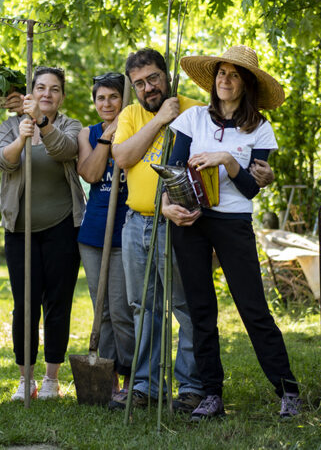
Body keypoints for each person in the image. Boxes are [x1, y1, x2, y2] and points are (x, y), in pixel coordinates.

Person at [163, 45, 300, 420]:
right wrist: (167, 207)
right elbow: (174, 172)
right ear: (214, 79)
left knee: (253, 308)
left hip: (233, 222)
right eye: (221, 72)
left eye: (234, 74)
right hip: (190, 222)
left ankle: (287, 391)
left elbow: (252, 189)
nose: (225, 79)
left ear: (246, 84)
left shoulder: (260, 129)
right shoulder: (192, 120)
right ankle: (211, 395)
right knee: (200, 310)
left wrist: (225, 159)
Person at [109, 48, 204, 412]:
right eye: (139, 84)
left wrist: (175, 116)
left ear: (166, 76)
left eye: (153, 78)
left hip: (179, 223)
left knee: (185, 305)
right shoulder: (131, 114)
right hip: (136, 223)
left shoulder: (194, 110)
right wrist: (160, 118)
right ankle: (147, 385)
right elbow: (123, 158)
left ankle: (192, 386)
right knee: (143, 307)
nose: (148, 87)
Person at [0, 67, 84, 401]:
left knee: (57, 303)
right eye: (41, 88)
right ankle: (24, 379)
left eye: (54, 89)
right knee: (24, 306)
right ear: (31, 91)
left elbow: (65, 150)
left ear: (61, 96)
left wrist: (42, 125)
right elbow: (2, 162)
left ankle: (50, 379)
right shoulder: (11, 125)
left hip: (61, 227)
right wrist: (21, 135)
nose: (47, 94)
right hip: (20, 230)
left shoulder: (70, 126)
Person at [76, 72, 134, 396]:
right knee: (104, 311)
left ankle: (131, 377)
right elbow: (91, 173)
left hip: (126, 229)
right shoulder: (88, 133)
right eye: (101, 98)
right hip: (94, 232)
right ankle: (107, 377)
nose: (107, 103)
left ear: (124, 100)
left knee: (123, 309)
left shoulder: (137, 129)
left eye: (114, 97)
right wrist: (106, 138)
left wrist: (120, 134)